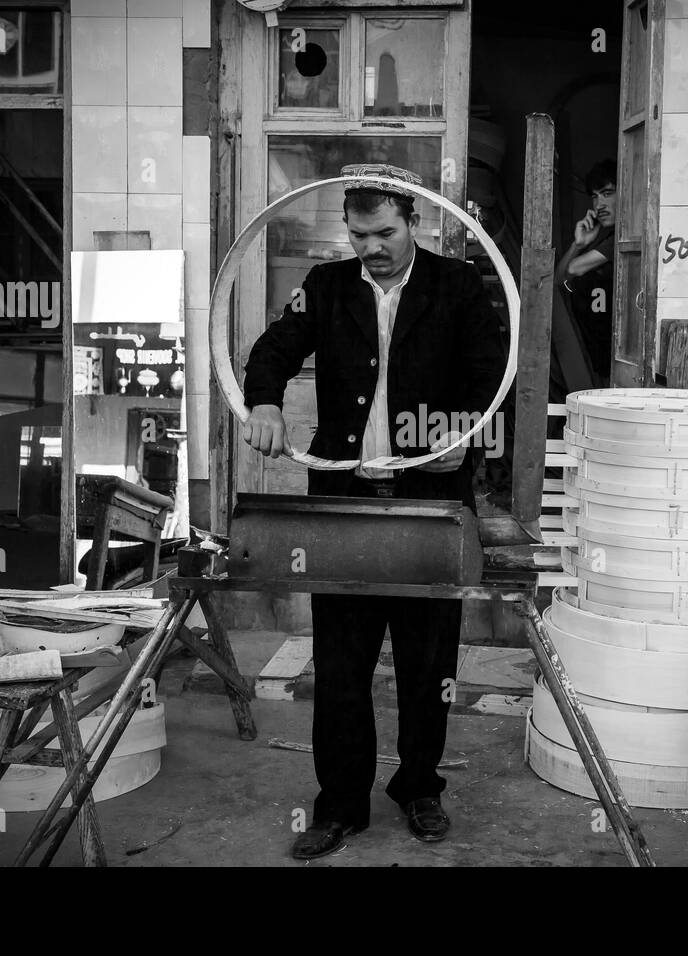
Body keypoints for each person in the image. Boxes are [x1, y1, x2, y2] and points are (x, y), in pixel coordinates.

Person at [241, 163, 507, 860]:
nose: (372, 247)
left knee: (428, 661)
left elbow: (491, 378)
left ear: (414, 222)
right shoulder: (326, 287)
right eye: (359, 235)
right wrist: (265, 399)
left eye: (385, 232)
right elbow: (273, 349)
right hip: (346, 504)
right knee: (341, 662)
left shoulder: (457, 287)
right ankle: (340, 804)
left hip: (429, 502)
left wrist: (462, 435)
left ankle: (419, 787)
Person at [556, 159, 617, 383]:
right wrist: (578, 244)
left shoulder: (622, 238)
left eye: (607, 193)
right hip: (602, 356)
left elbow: (572, 269)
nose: (599, 204)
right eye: (594, 196)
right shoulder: (608, 239)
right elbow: (559, 279)